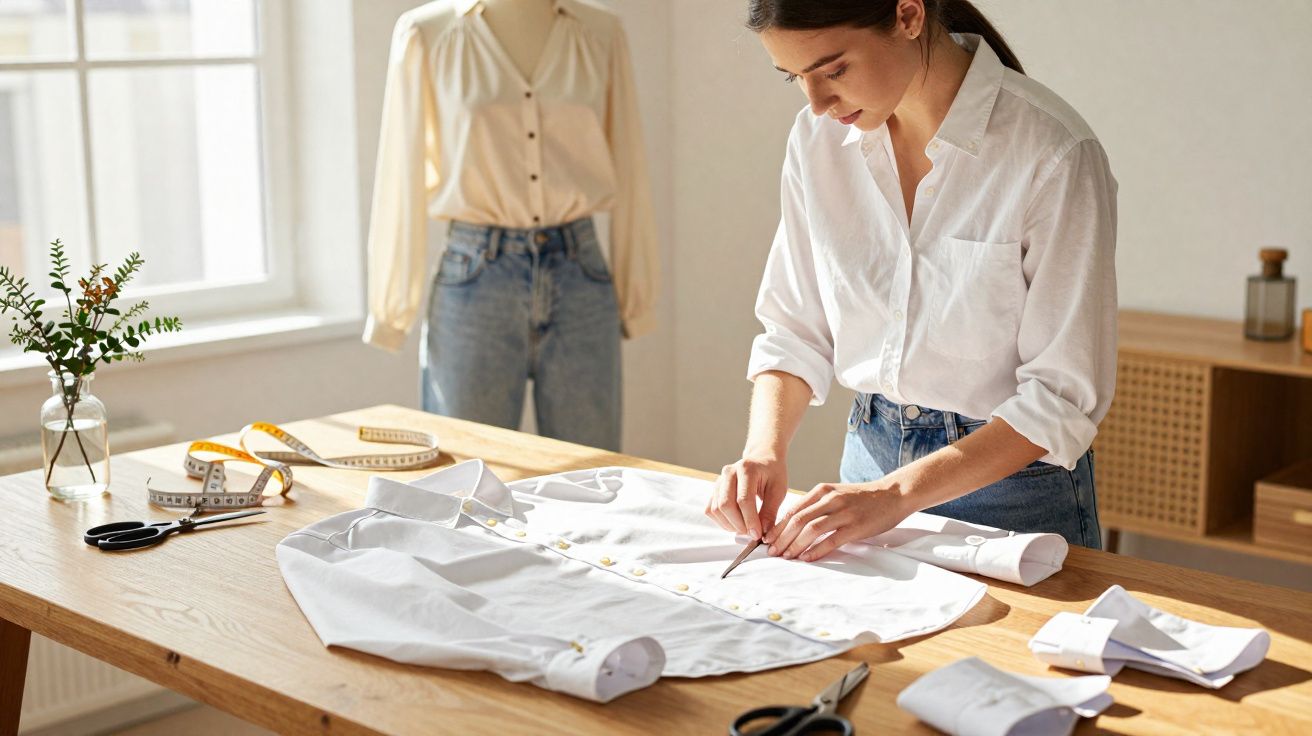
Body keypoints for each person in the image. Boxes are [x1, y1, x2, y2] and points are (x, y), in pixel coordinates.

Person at [705, 0, 1117, 561]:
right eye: (795, 78)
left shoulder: (1052, 152)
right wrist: (763, 450)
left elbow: (1060, 399)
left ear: (908, 16)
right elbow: (796, 328)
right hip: (864, 470)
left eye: (834, 70)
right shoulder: (816, 141)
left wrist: (894, 493)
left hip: (1014, 498)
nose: (817, 103)